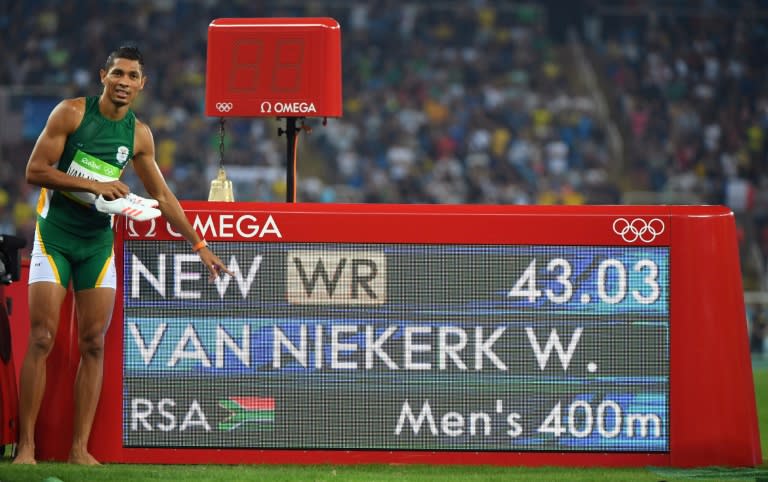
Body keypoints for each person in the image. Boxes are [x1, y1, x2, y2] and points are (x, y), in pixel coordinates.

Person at [13, 45, 232, 465]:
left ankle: (80, 449)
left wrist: (199, 245)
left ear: (142, 85)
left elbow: (162, 196)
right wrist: (97, 186)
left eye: (133, 76)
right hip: (54, 236)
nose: (124, 83)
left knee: (94, 343)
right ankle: (26, 447)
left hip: (96, 244)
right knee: (42, 338)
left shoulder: (139, 135)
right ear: (103, 76)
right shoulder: (71, 114)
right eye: (118, 74)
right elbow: (34, 171)